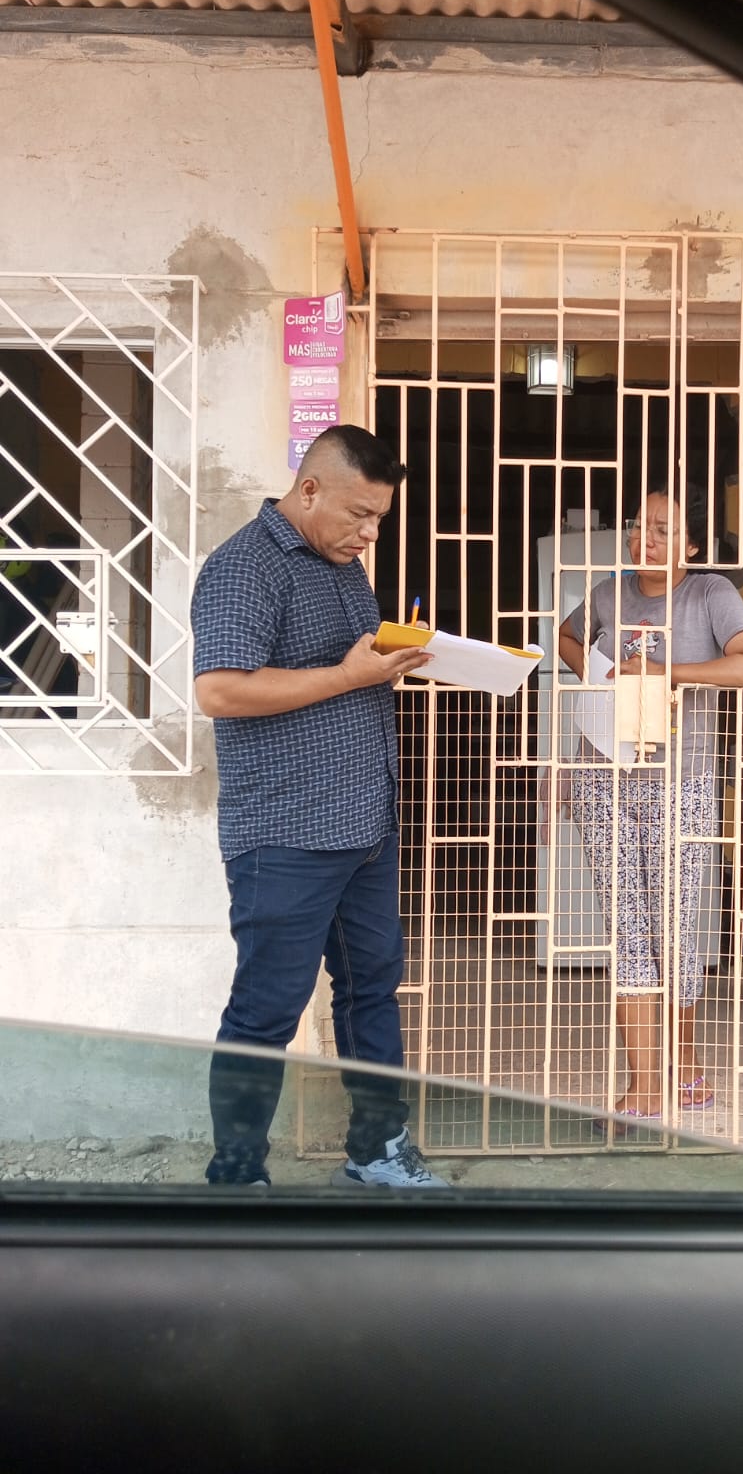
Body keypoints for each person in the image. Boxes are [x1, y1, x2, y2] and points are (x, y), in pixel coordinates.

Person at [191, 424, 447, 1188]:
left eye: (380, 519)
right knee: (267, 1009)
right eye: (359, 514)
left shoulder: (344, 566)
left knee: (372, 991)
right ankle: (237, 1176)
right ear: (309, 490)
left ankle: (377, 1151)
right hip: (285, 835)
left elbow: (346, 668)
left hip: (364, 826)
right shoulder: (244, 567)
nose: (370, 534)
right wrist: (347, 676)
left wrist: (388, 662)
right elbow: (220, 690)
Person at [558, 481, 743, 1120]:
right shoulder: (609, 593)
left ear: (692, 545)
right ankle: (646, 1081)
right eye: (638, 525)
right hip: (602, 777)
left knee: (673, 928)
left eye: (662, 529)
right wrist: (599, 674)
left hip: (681, 782)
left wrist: (665, 674)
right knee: (625, 928)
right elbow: (567, 637)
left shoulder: (710, 594)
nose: (643, 539)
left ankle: (687, 1064)